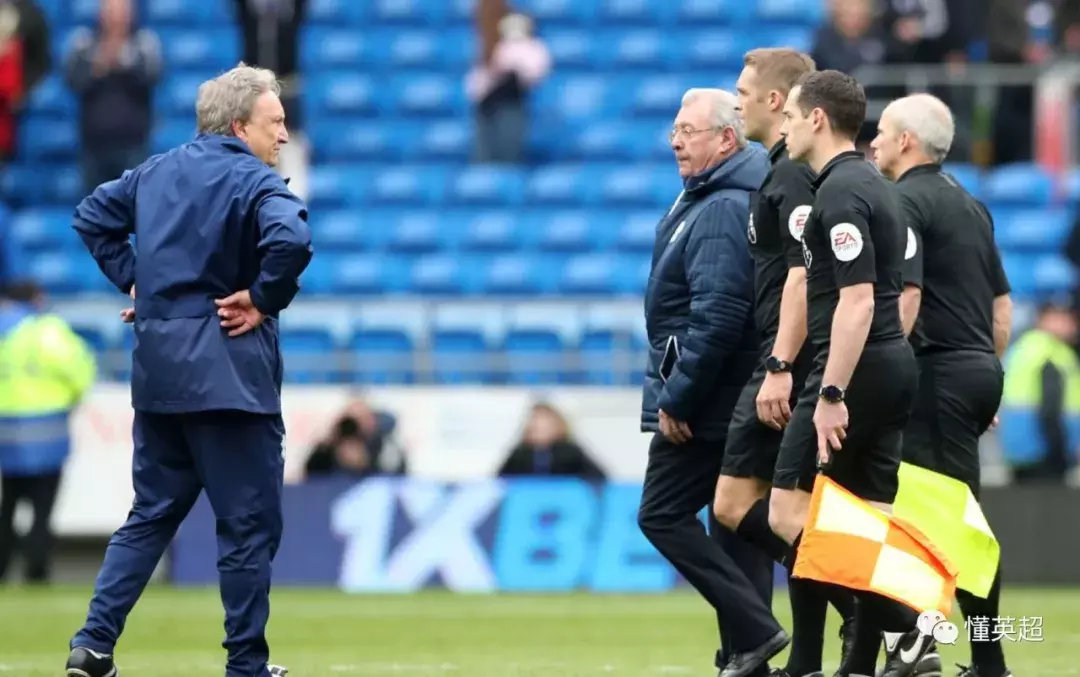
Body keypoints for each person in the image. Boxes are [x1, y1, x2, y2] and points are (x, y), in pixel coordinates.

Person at [65, 62, 312, 677]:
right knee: (247, 527)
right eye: (274, 122)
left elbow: (92, 216)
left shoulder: (155, 171)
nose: (283, 135)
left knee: (150, 515)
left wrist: (140, 281)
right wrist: (260, 298)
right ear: (238, 125)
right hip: (229, 380)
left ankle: (93, 644)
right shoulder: (258, 184)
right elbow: (292, 241)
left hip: (159, 377)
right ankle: (246, 666)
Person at [759, 70, 929, 677]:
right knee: (869, 514)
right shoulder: (875, 185)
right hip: (891, 365)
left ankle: (906, 628)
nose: (781, 124)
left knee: (788, 511)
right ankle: (872, 654)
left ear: (817, 119)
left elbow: (856, 300)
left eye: (791, 114)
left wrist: (830, 391)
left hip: (853, 370)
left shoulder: (838, 194)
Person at [714, 48, 857, 677]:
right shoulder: (779, 172)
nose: (736, 101)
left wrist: (780, 363)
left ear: (778, 102)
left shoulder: (796, 177)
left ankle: (875, 610)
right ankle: (821, 645)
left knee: (744, 505)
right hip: (785, 354)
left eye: (744, 92)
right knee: (782, 512)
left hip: (788, 359)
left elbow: (803, 275)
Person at [637, 87, 789, 677]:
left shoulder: (723, 205)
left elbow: (720, 314)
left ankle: (756, 633)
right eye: (673, 128)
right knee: (732, 526)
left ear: (727, 139)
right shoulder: (711, 195)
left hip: (710, 399)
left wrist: (677, 396)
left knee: (662, 514)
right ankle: (745, 655)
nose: (676, 139)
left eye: (688, 130)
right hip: (728, 394)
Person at [871, 92, 1015, 677]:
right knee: (952, 517)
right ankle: (964, 656)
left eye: (881, 131)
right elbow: (1001, 307)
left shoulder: (903, 200)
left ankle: (962, 658)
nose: (873, 142)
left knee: (946, 525)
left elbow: (909, 296)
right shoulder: (971, 203)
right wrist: (984, 369)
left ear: (907, 140)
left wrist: (885, 373)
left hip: (935, 373)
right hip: (975, 368)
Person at [0, 280, 96, 584]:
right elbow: (79, 368)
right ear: (36, 299)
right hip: (46, 433)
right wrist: (72, 398)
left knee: (8, 506)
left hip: (6, 434)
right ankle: (36, 572)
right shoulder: (47, 331)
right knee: (42, 510)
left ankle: (2, 569)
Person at [998, 298, 1080, 485]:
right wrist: (1061, 454)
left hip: (1019, 452)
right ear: (1044, 319)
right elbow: (1050, 410)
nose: (1071, 324)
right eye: (1063, 318)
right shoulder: (1051, 352)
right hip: (1046, 453)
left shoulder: (1024, 346)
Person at [498, 402, 605, 478]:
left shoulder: (570, 452)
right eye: (534, 419)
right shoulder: (520, 453)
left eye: (543, 420)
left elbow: (598, 478)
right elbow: (500, 480)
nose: (537, 424)